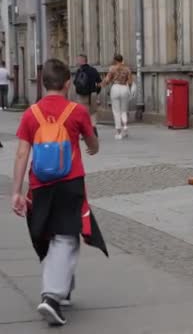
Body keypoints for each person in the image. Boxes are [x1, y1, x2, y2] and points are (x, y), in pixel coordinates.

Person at [11, 58, 108, 326]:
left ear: (43, 84)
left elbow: (21, 153)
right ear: (68, 84)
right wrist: (93, 146)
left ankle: (62, 290)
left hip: (40, 185)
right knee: (66, 238)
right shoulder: (76, 111)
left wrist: (17, 192)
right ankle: (51, 297)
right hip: (70, 183)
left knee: (53, 234)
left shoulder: (31, 114)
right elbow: (92, 142)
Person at [99, 54, 133, 140]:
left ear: (115, 60)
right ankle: (125, 125)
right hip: (124, 88)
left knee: (116, 111)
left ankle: (118, 132)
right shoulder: (127, 69)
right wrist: (129, 88)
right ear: (122, 60)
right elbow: (130, 81)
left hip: (115, 88)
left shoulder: (112, 68)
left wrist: (101, 85)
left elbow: (107, 80)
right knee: (124, 110)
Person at [74, 54, 101, 137]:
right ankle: (93, 128)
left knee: (83, 113)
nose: (77, 61)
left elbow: (75, 82)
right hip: (92, 94)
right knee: (93, 112)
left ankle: (86, 132)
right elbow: (99, 82)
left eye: (78, 60)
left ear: (82, 60)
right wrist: (96, 92)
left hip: (82, 95)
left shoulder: (79, 71)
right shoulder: (93, 70)